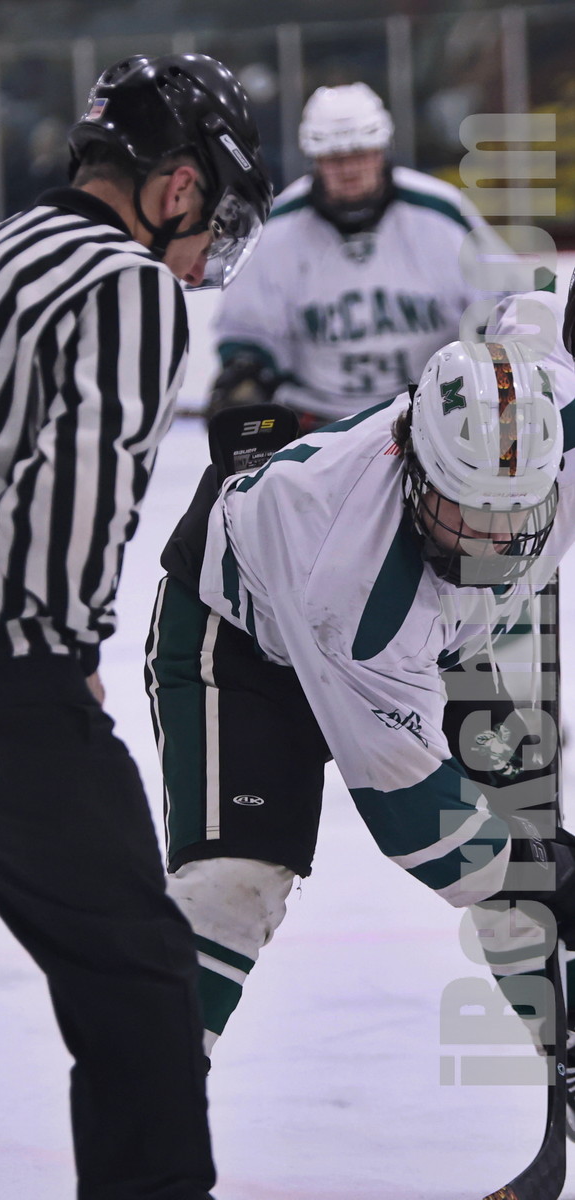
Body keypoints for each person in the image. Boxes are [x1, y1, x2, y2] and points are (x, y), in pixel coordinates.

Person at [0, 52, 271, 1199]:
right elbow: (81, 487)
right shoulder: (124, 286)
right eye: (217, 223)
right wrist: (64, 656)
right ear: (177, 187)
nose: (205, 259)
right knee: (137, 981)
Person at [145, 293, 575, 1125]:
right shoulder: (352, 590)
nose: (495, 539)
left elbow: (529, 312)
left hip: (437, 633)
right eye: (466, 511)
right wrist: (550, 869)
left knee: (526, 850)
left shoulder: (547, 415)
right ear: (413, 468)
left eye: (516, 513)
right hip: (243, 639)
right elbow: (420, 828)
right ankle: (148, 1116)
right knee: (235, 883)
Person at [205, 81, 529, 432]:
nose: (349, 170)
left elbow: (510, 304)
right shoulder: (279, 228)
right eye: (334, 158)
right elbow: (247, 332)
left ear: (382, 150)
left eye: (360, 153)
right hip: (317, 424)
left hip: (434, 415)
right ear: (314, 159)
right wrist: (245, 378)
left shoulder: (441, 213)